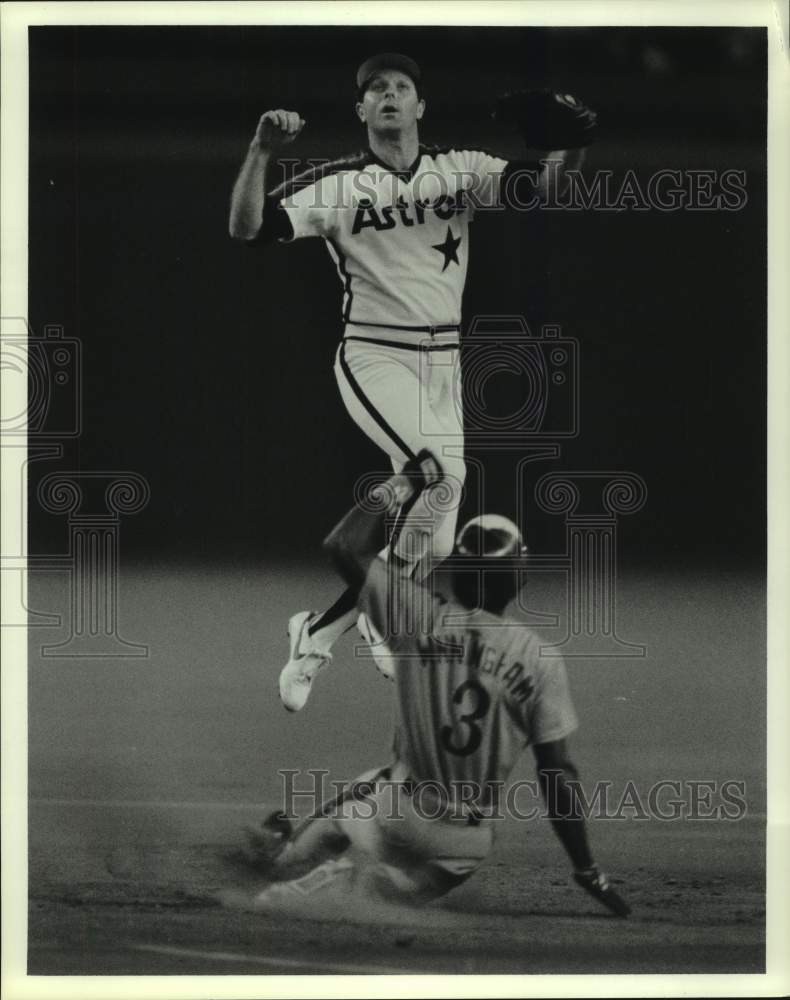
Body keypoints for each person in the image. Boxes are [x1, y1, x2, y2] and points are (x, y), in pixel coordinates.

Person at [228, 52, 593, 712]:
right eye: (375, 89)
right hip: (374, 357)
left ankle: (316, 632)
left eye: (401, 87)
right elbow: (248, 229)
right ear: (362, 111)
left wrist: (567, 144)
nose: (389, 95)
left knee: (439, 534)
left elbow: (548, 190)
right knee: (438, 468)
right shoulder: (339, 183)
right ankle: (377, 614)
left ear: (420, 107)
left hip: (443, 363)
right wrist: (260, 150)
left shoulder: (462, 170)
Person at [243, 451, 629, 916]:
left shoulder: (417, 614)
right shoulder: (538, 658)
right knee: (389, 890)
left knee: (371, 788)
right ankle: (363, 883)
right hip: (462, 845)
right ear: (517, 579)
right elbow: (557, 775)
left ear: (459, 573)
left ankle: (289, 863)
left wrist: (406, 481)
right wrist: (587, 869)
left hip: (399, 815)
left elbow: (344, 546)